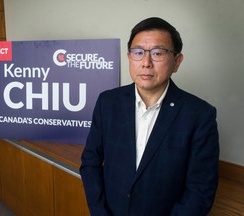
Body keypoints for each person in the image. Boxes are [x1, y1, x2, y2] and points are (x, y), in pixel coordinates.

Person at [80, 17, 219, 216]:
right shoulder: (108, 102)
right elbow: (90, 162)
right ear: (129, 57)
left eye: (158, 53)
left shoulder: (200, 115)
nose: (146, 63)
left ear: (177, 62)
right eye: (138, 52)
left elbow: (200, 190)